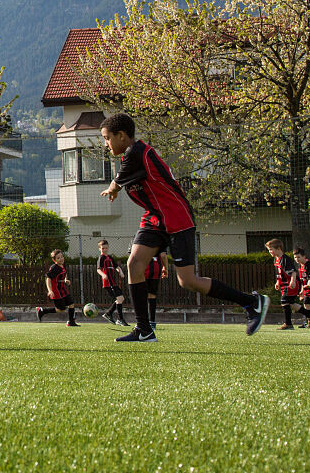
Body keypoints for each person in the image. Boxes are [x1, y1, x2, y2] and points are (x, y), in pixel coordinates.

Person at [101, 113, 269, 342]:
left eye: (107, 138)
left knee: (187, 281)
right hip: (155, 219)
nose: (105, 144)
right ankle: (144, 330)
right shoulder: (131, 156)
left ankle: (251, 302)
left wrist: (113, 187)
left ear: (121, 136)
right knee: (134, 264)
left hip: (176, 218)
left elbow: (118, 181)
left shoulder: (136, 152)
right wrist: (115, 186)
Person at [36, 248, 79, 326]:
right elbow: (48, 279)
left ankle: (71, 322)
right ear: (54, 260)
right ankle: (42, 311)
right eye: (58, 258)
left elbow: (64, 272)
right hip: (56, 291)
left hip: (62, 289)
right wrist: (50, 290)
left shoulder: (63, 264)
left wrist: (65, 279)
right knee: (61, 309)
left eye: (62, 257)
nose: (61, 259)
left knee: (71, 304)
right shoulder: (54, 268)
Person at [266, 239, 301, 330]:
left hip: (290, 284)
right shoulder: (276, 259)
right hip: (284, 284)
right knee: (290, 304)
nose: (270, 252)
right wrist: (278, 282)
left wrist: (293, 281)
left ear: (279, 248)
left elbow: (293, 271)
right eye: (269, 250)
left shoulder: (285, 259)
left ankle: (288, 324)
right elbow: (279, 273)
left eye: (271, 249)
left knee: (284, 301)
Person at [96, 239, 128, 326]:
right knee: (119, 299)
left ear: (108, 248)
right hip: (108, 284)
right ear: (99, 249)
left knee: (121, 299)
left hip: (113, 283)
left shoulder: (109, 258)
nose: (104, 250)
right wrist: (103, 275)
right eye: (103, 248)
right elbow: (98, 269)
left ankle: (109, 314)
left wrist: (120, 272)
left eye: (106, 248)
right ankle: (119, 319)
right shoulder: (101, 258)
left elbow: (117, 267)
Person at [145, 251, 168, 329]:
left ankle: (142, 322)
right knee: (152, 295)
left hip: (143, 267)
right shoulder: (160, 242)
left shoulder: (137, 242)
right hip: (156, 268)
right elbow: (163, 255)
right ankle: (152, 322)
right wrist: (165, 268)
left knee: (141, 295)